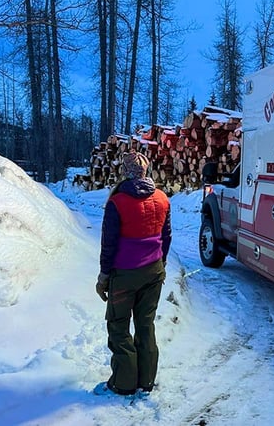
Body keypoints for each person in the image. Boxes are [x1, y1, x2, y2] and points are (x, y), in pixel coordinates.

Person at [94, 152, 172, 397]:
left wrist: (103, 277)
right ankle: (146, 381)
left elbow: (109, 244)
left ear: (124, 171)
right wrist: (161, 263)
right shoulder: (162, 198)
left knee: (118, 326)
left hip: (125, 274)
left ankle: (123, 384)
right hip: (154, 271)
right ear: (147, 170)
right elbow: (166, 237)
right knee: (145, 324)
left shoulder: (117, 202)